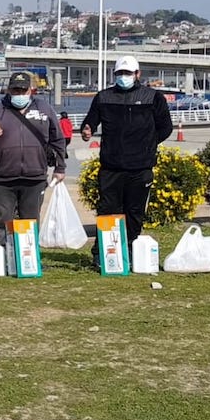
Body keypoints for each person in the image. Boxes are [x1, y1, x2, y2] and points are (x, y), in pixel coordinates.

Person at [80, 56, 173, 266]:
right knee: (107, 210)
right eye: (120, 74)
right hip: (111, 166)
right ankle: (102, 254)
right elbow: (90, 121)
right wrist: (87, 130)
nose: (124, 77)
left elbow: (166, 127)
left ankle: (130, 251)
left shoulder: (153, 97)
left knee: (134, 211)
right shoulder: (104, 96)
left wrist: (148, 144)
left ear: (137, 74)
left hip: (140, 167)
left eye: (128, 73)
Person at [0, 72, 66, 246]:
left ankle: (28, 261)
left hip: (35, 178)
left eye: (23, 90)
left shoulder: (44, 109)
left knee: (30, 223)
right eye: (15, 90)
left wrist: (60, 168)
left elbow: (58, 139)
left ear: (31, 90)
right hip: (1, 179)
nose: (19, 94)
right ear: (8, 90)